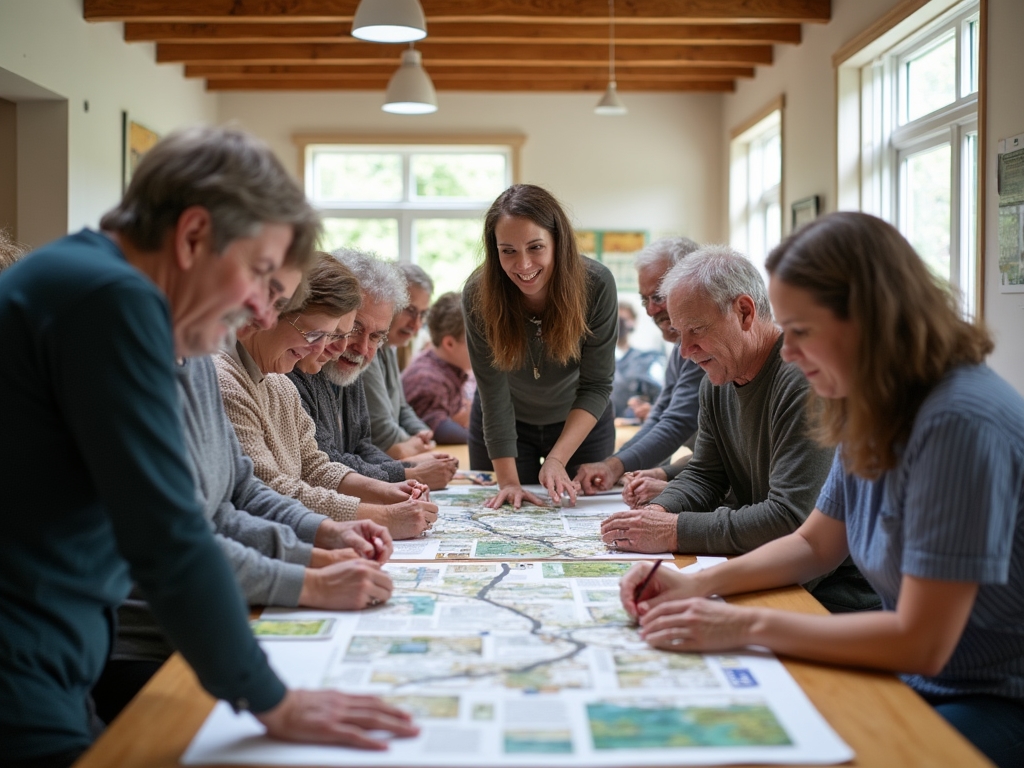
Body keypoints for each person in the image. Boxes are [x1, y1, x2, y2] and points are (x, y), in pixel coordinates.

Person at [0, 126, 417, 768]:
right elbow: (168, 536)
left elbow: (225, 494)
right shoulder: (110, 298)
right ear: (194, 235)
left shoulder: (161, 315)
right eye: (258, 275)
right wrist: (273, 701)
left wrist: (316, 545)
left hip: (63, 651)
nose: (259, 305)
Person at [618, 212, 1024, 768]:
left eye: (801, 332)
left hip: (991, 694)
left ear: (868, 321)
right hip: (924, 675)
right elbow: (814, 544)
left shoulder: (958, 422)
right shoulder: (872, 404)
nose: (786, 352)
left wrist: (741, 622)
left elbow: (924, 640)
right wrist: (697, 585)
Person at [94, 266, 396, 725]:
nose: (327, 350)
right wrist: (310, 573)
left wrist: (326, 537)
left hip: (198, 617)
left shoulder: (197, 358)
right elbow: (188, 538)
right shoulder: (188, 365)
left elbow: (242, 490)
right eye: (317, 332)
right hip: (144, 638)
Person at [600, 245, 877, 613]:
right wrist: (660, 512)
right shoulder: (716, 381)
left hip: (831, 594)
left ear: (744, 312)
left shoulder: (803, 380)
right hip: (767, 571)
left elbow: (788, 517)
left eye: (695, 331)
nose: (685, 351)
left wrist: (673, 530)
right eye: (679, 333)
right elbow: (705, 473)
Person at [216, 252, 438, 540]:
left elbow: (315, 467)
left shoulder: (279, 381)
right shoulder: (226, 380)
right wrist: (382, 516)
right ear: (269, 314)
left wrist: (388, 491)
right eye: (314, 335)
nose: (323, 350)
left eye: (331, 336)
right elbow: (268, 490)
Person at [464, 184, 617, 508]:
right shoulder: (479, 293)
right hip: (505, 423)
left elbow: (596, 384)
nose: (523, 264)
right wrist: (507, 482)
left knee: (584, 516)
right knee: (505, 509)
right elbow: (493, 391)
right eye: (508, 251)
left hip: (581, 420)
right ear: (495, 251)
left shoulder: (596, 284)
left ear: (557, 242)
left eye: (535, 247)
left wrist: (558, 459)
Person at [289, 248, 458, 490]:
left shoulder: (349, 368)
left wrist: (409, 471)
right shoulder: (297, 367)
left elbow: (362, 446)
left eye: (377, 336)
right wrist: (406, 473)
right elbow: (325, 462)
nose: (362, 348)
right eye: (355, 329)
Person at [575, 237, 704, 498]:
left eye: (658, 296)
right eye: (645, 300)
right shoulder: (680, 350)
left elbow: (678, 422)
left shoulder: (703, 347)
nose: (651, 310)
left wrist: (614, 465)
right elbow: (660, 416)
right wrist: (616, 466)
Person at [363, 262, 437, 458]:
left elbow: (402, 408)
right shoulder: (364, 351)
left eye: (422, 314)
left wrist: (421, 432)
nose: (416, 324)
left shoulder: (389, 347)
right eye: (410, 310)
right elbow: (380, 430)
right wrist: (415, 446)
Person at [401, 291, 473, 444]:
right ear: (449, 343)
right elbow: (438, 430)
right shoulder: (427, 378)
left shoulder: (451, 369)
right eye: (477, 341)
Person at [609, 301, 664, 419]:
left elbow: (660, 397)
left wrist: (648, 407)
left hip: (633, 426)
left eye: (624, 320)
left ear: (633, 322)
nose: (621, 324)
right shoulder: (598, 359)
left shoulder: (646, 360)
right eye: (617, 320)